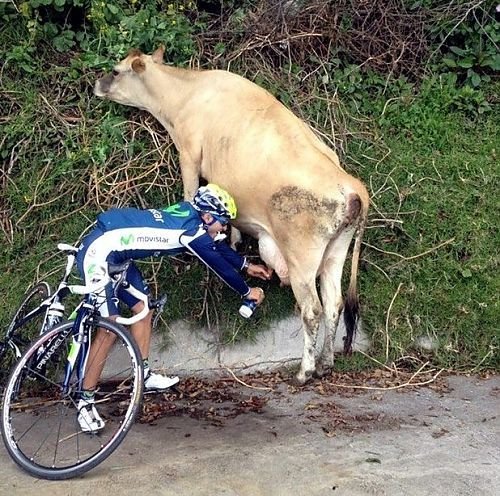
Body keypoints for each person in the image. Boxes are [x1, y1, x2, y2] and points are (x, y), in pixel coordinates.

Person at [75, 184, 273, 432]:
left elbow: (216, 246)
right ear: (208, 217)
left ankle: (142, 374)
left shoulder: (192, 212)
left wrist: (245, 265)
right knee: (109, 327)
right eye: (223, 222)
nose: (225, 228)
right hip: (100, 252)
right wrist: (247, 291)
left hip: (119, 255)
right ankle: (84, 401)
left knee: (143, 307)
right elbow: (217, 265)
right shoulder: (191, 232)